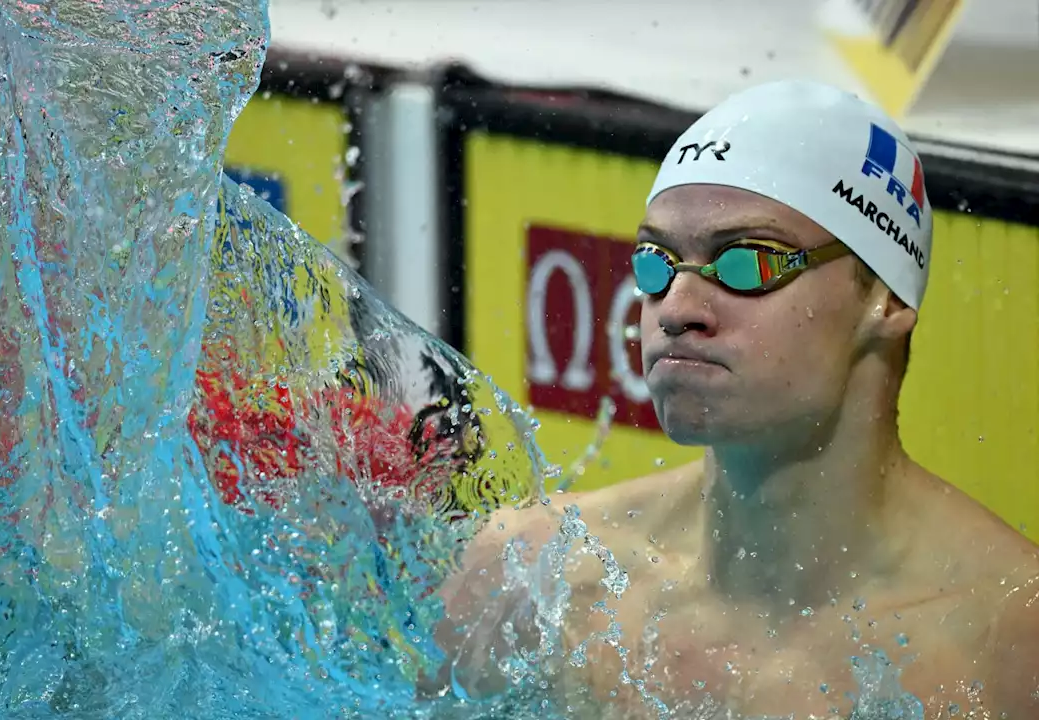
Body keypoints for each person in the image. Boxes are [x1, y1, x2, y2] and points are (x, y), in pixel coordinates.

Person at [422, 80, 1039, 718]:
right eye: (657, 262)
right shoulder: (536, 577)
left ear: (884, 298)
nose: (677, 310)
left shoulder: (1011, 642)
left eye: (747, 261)